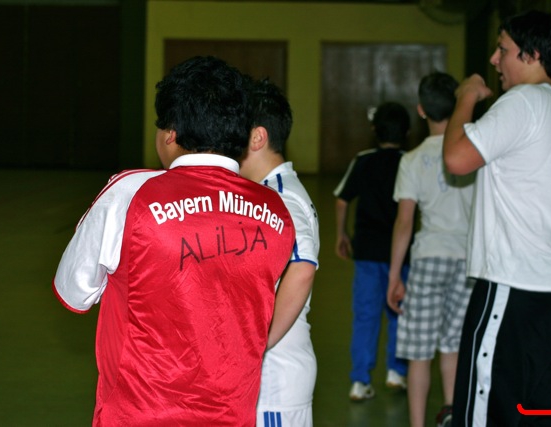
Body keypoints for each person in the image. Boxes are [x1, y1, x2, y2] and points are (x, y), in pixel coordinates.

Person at [52, 56, 296, 426]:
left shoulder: (130, 194)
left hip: (137, 415)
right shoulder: (276, 212)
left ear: (170, 133)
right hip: (232, 416)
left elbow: (73, 291)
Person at [442, 10, 551, 427]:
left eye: (503, 50)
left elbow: (456, 158)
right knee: (539, 411)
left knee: (485, 411)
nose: (495, 60)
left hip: (513, 285)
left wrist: (466, 98)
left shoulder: (524, 101)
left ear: (532, 55)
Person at [387, 72, 475, 427]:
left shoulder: (412, 160)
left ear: (421, 110)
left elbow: (404, 222)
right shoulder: (472, 154)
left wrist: (395, 276)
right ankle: (451, 414)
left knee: (419, 353)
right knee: (453, 346)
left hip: (428, 259)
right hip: (467, 261)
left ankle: (418, 423)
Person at [240, 78, 320, 426]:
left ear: (257, 137)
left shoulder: (280, 195)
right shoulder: (267, 191)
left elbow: (303, 268)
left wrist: (259, 342)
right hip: (269, 378)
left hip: (275, 379)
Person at [334, 102, 411, 401]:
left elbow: (342, 200)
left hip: (366, 251)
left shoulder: (363, 160)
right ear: (406, 132)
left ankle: (360, 380)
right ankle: (396, 372)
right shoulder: (410, 161)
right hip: (401, 254)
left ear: (374, 130)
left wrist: (341, 234)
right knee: (399, 312)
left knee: (365, 315)